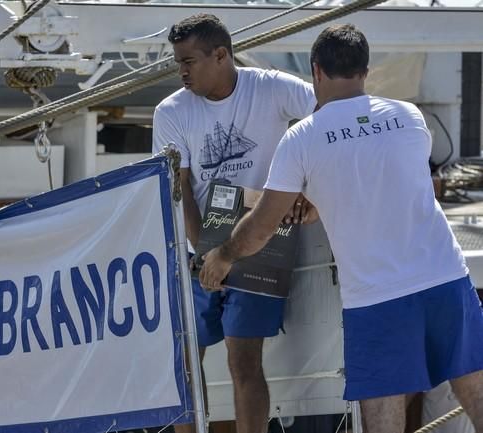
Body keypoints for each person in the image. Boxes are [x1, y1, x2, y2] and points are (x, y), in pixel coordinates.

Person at [199, 24, 483, 433]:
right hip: (447, 280)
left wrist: (223, 255)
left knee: (382, 417)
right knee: (475, 394)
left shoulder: (302, 139)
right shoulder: (409, 116)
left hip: (377, 297)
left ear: (315, 71)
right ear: (365, 70)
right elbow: (382, 175)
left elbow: (264, 224)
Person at [151, 14, 316, 433]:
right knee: (186, 359)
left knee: (244, 359)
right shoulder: (170, 111)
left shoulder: (273, 86)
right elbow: (181, 190)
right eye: (178, 63)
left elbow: (330, 113)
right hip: (201, 244)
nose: (182, 71)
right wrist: (205, 254)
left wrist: (309, 187)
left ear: (221, 55)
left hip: (262, 239)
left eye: (189, 61)